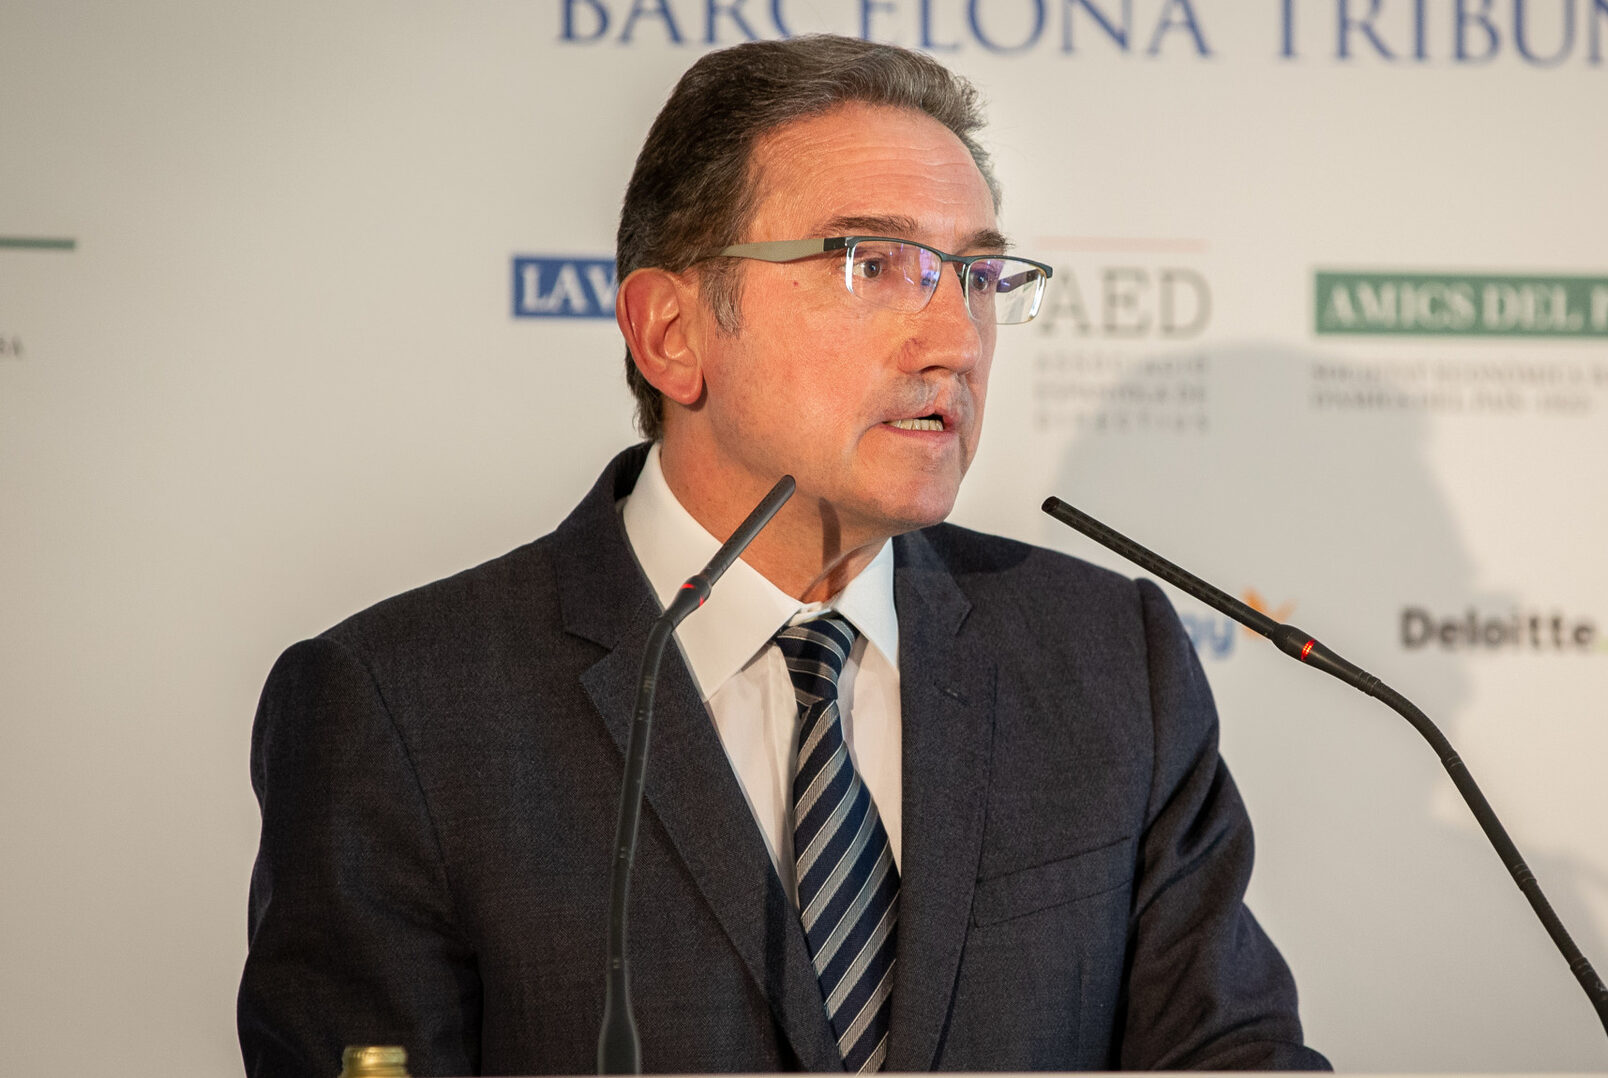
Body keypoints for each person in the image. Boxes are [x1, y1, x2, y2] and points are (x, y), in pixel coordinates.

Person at [238, 34, 1329, 1077]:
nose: (955, 340)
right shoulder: (400, 709)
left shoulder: (1109, 660)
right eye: (874, 264)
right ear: (672, 334)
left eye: (977, 276)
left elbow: (1230, 1055)